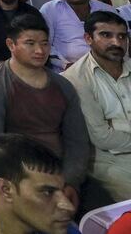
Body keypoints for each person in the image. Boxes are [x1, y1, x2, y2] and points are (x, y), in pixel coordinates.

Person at [0, 14, 89, 209]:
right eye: (30, 43)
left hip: (61, 171)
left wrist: (71, 182)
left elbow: (77, 141)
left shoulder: (63, 85)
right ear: (11, 44)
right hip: (17, 174)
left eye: (45, 43)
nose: (39, 50)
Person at [62, 11, 131, 201]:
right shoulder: (76, 79)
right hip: (110, 161)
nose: (117, 43)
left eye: (122, 36)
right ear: (88, 38)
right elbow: (102, 137)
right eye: (106, 35)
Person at [40, 0, 114, 71]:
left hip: (105, 67)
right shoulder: (50, 9)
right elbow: (44, 43)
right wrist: (64, 65)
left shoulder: (106, 10)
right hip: (66, 70)